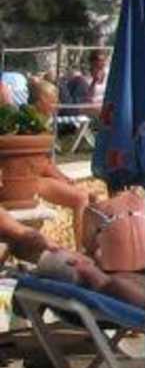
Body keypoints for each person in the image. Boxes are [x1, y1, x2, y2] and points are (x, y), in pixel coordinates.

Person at [22, 78, 97, 246]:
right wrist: (63, 179)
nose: (57, 107)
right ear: (41, 101)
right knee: (81, 198)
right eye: (53, 102)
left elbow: (46, 163)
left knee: (88, 197)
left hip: (33, 177)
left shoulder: (35, 121)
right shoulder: (33, 125)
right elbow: (42, 165)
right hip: (30, 180)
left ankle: (87, 247)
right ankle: (81, 251)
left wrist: (64, 178)